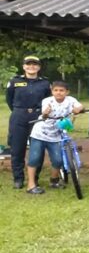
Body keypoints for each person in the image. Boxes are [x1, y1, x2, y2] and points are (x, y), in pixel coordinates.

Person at [25, 81, 84, 194]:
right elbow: (44, 114)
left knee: (58, 160)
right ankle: (31, 185)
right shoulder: (47, 101)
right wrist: (46, 113)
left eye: (62, 90)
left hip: (56, 134)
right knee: (34, 159)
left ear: (67, 92)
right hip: (40, 134)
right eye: (56, 90)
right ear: (52, 91)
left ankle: (54, 180)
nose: (58, 93)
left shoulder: (70, 100)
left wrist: (79, 109)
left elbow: (79, 106)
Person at [5, 55, 51, 189]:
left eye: (35, 64)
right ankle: (18, 179)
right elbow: (9, 100)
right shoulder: (14, 81)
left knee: (38, 148)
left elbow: (48, 100)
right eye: (28, 64)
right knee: (17, 148)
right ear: (24, 66)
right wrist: (20, 111)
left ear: (39, 67)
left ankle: (34, 178)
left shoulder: (45, 83)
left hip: (38, 116)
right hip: (19, 116)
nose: (32, 67)